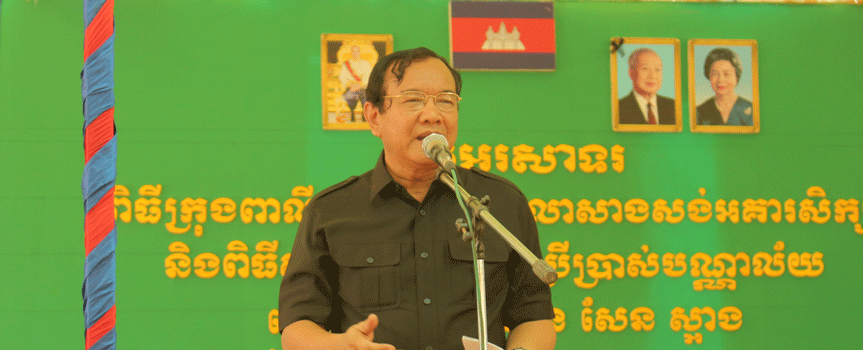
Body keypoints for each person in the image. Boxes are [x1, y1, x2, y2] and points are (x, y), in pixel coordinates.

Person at [279, 47, 556, 350]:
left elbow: (534, 317)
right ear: (374, 117)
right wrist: (344, 346)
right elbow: (298, 327)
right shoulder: (331, 211)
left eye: (446, 101)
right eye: (413, 100)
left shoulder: (499, 203)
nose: (433, 115)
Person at [695, 47, 753, 126]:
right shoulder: (699, 112)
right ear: (709, 76)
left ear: (736, 76)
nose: (720, 80)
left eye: (727, 74)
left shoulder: (752, 109)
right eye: (715, 74)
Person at [618, 47, 676, 125]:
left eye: (657, 69)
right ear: (631, 73)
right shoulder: (618, 108)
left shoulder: (673, 106)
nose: (652, 76)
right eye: (645, 69)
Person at [339, 45, 373, 123]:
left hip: (363, 88)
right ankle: (352, 112)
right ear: (351, 53)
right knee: (349, 96)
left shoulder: (365, 64)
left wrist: (360, 85)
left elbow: (369, 77)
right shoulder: (346, 64)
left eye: (357, 51)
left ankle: (364, 114)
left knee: (366, 97)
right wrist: (350, 85)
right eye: (353, 51)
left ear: (360, 52)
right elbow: (342, 77)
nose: (355, 53)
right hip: (351, 87)